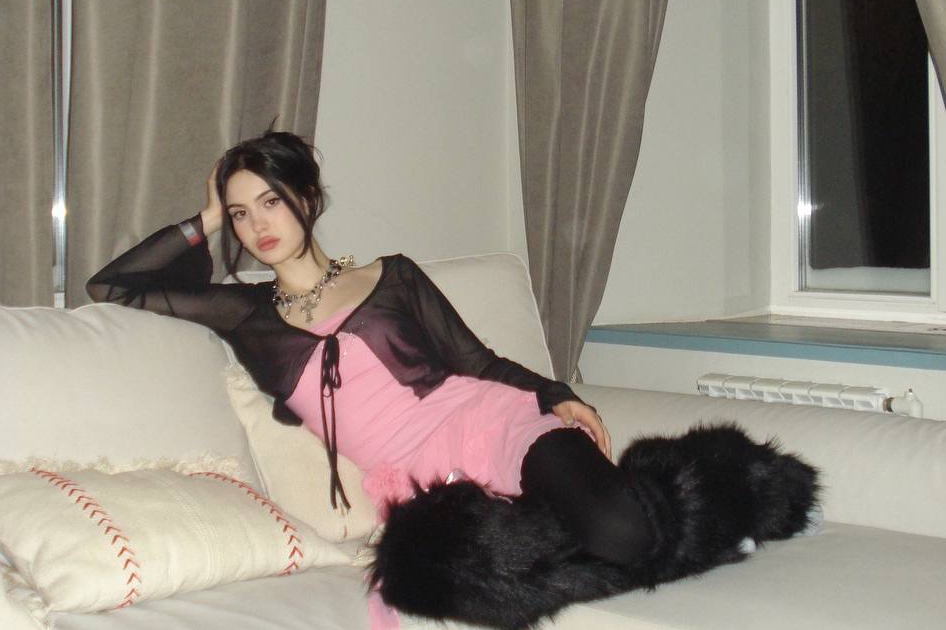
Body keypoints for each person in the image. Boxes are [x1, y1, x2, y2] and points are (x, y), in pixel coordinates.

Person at [87, 130, 655, 569]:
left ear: (307, 197)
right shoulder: (245, 314)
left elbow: (477, 363)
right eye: (241, 213)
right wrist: (208, 217)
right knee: (538, 562)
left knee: (621, 534)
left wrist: (557, 395)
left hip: (494, 423)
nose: (257, 224)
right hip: (425, 485)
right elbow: (111, 286)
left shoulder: (393, 278)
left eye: (271, 201)